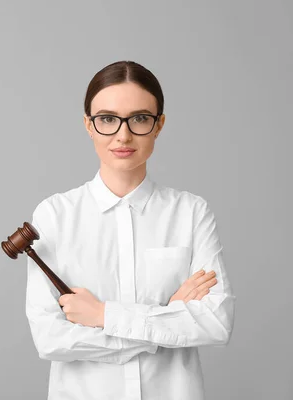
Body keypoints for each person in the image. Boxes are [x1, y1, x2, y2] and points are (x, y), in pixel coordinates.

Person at [25, 60, 236, 400]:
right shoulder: (54, 216)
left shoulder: (191, 213)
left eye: (139, 118)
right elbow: (50, 340)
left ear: (159, 125)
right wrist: (166, 319)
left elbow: (216, 323)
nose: (123, 135)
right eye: (107, 119)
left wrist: (102, 315)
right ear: (89, 125)